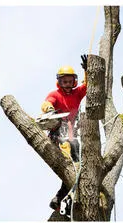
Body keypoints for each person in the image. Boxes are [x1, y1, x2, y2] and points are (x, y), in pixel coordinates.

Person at [41, 55, 88, 211]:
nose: (67, 85)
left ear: (74, 81)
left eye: (69, 81)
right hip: (58, 134)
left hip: (71, 133)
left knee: (77, 165)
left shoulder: (77, 93)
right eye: (64, 82)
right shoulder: (55, 94)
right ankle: (64, 197)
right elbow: (47, 102)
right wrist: (49, 109)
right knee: (72, 159)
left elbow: (87, 85)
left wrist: (87, 70)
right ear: (59, 82)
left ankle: (61, 199)